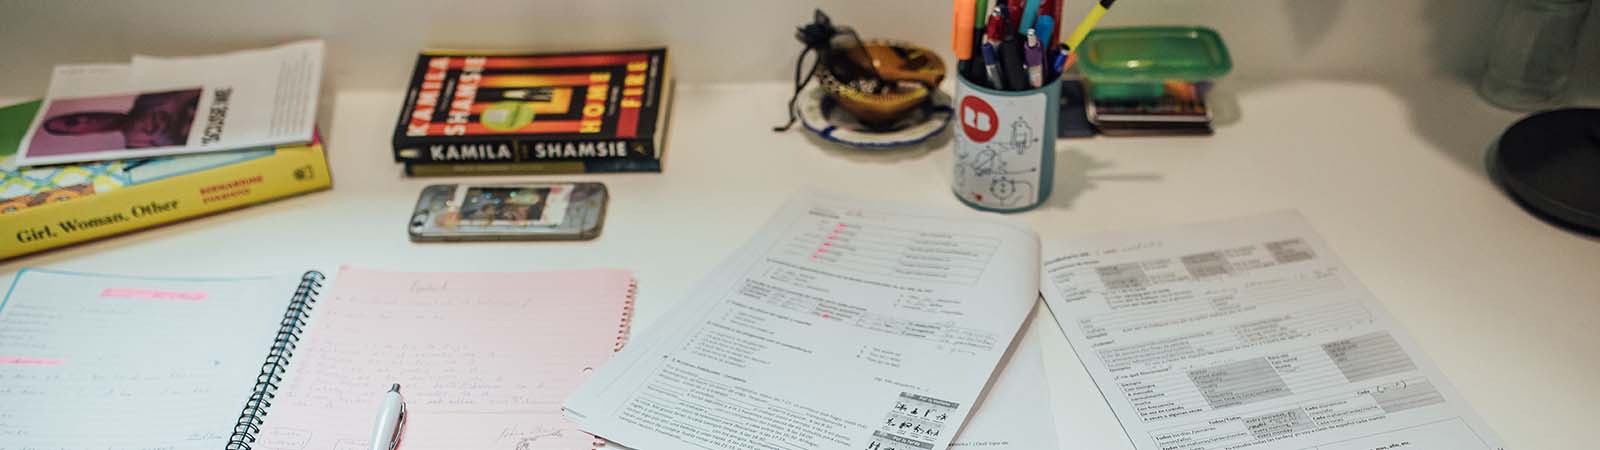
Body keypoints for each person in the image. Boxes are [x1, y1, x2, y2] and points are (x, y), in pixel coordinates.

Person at [42, 89, 202, 149]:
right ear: (81, 134)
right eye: (73, 123)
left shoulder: (147, 98)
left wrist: (179, 101)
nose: (84, 118)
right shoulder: (136, 147)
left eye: (76, 115)